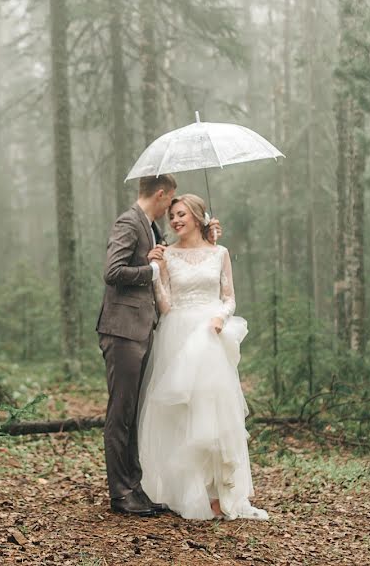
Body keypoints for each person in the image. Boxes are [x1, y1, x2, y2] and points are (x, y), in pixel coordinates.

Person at [96, 176, 222, 517]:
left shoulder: (150, 228)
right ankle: (120, 494)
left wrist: (208, 236)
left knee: (132, 413)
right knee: (120, 414)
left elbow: (179, 259)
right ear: (162, 194)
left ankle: (135, 489)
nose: (172, 209)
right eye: (171, 203)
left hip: (141, 330)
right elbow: (113, 271)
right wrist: (150, 270)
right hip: (122, 330)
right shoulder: (129, 222)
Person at [138, 193, 268, 521]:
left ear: (198, 216)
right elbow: (165, 304)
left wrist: (220, 318)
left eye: (182, 214)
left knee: (213, 412)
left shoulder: (219, 252)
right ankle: (185, 490)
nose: (176, 220)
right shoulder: (167, 254)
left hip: (211, 335)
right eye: (172, 216)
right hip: (177, 333)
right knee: (181, 414)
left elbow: (229, 298)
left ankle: (217, 493)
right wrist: (156, 269)